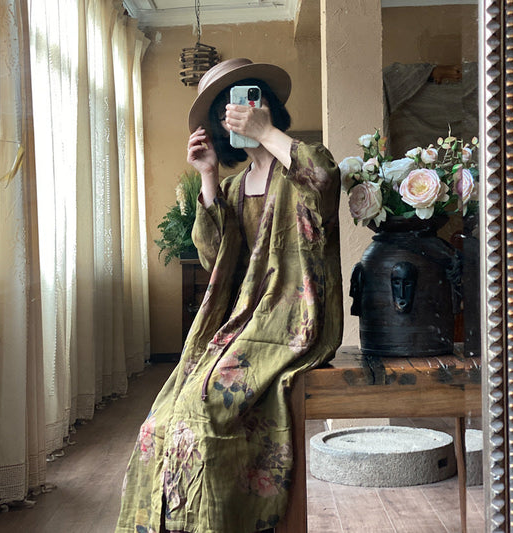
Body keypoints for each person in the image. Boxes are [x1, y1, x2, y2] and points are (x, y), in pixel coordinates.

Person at [115, 57, 343, 533]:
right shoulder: (235, 188)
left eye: (249, 100)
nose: (238, 113)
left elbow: (324, 177)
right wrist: (207, 176)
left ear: (268, 106)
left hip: (292, 322)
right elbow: (213, 258)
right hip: (240, 324)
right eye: (227, 110)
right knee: (161, 420)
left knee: (208, 412)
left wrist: (267, 133)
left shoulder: (299, 168)